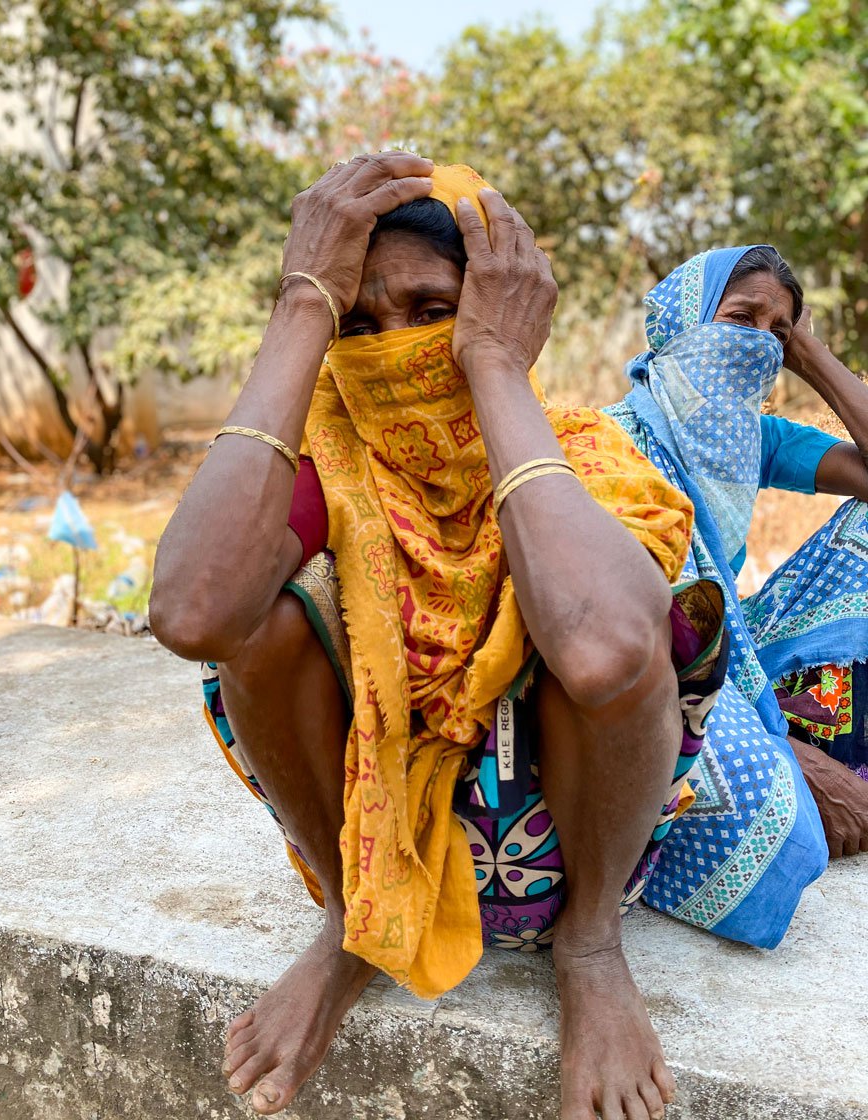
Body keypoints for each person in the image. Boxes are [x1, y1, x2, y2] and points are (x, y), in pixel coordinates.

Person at [150, 154, 728, 1120]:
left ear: (500, 310)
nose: (398, 347)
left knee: (629, 621)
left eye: (434, 311)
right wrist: (301, 306)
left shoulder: (582, 452)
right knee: (264, 610)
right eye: (361, 324)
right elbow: (192, 609)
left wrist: (494, 369)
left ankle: (589, 948)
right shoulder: (334, 461)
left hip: (569, 837)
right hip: (372, 835)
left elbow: (604, 652)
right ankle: (354, 926)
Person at [605, 245, 868, 949]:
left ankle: (807, 741)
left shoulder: (757, 439)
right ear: (681, 323)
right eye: (740, 318)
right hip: (659, 679)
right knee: (780, 833)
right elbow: (641, 632)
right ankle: (792, 752)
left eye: (774, 333)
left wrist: (806, 353)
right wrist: (784, 753)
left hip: (735, 654)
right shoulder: (609, 440)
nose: (756, 343)